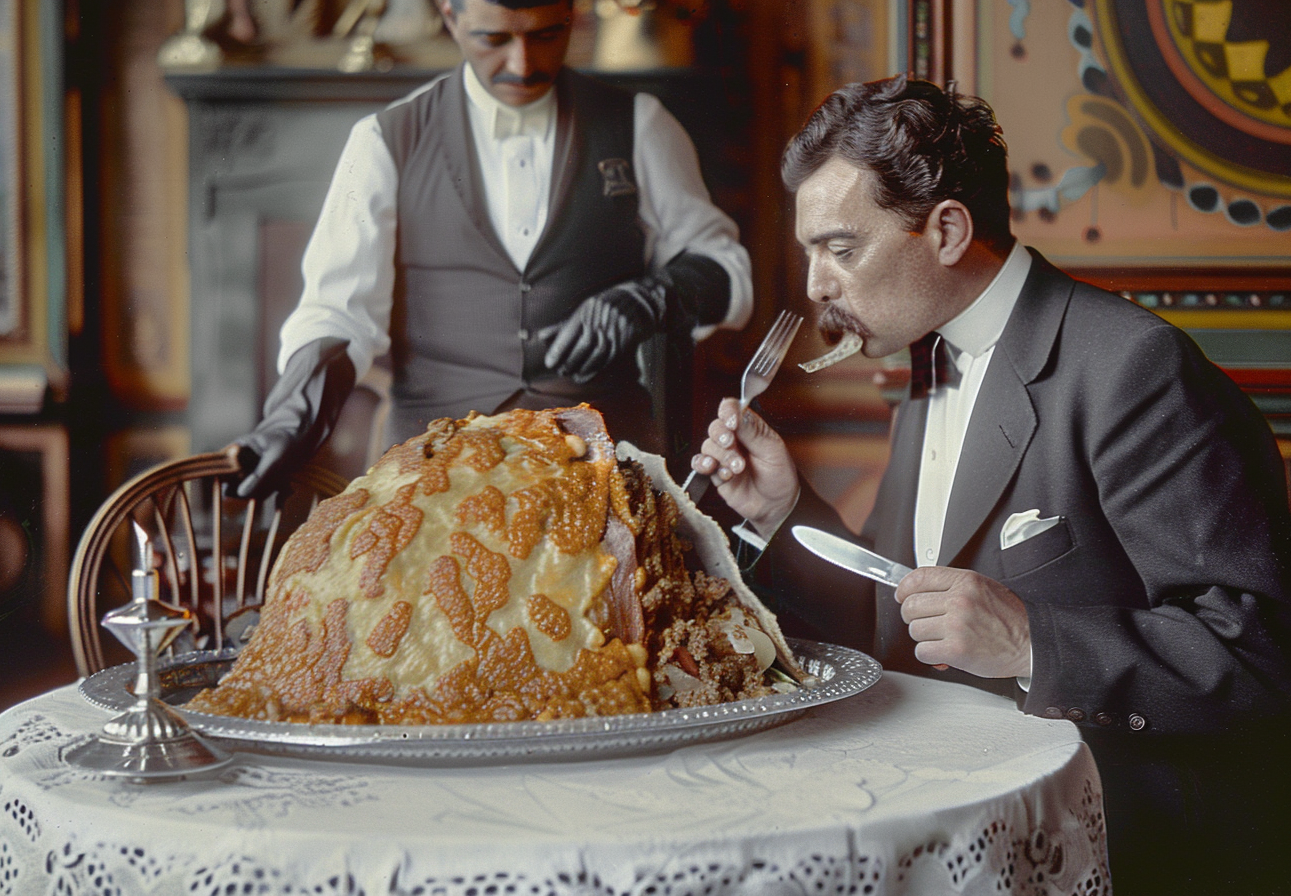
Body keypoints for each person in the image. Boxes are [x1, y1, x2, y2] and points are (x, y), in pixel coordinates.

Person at [691, 74, 1291, 894]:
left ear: (944, 229)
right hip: (949, 837)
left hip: (1126, 851)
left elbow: (1258, 657)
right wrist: (785, 509)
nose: (817, 286)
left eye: (840, 247)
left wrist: (1032, 643)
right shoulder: (926, 356)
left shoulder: (1132, 368)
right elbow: (901, 617)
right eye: (810, 253)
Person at [233, 0, 751, 498]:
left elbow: (729, 272)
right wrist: (289, 422)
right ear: (450, 15)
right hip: (434, 477)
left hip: (603, 473)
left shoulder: (639, 123)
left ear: (571, 15)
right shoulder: (382, 140)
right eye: (494, 38)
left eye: (546, 35)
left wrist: (650, 297)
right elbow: (336, 313)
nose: (523, 65)